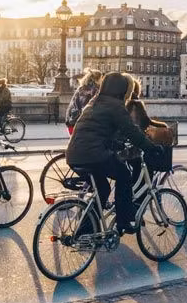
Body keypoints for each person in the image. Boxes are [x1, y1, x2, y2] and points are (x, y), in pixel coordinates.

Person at [65, 71, 161, 234]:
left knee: (102, 189)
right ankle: (123, 221)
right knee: (124, 175)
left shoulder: (94, 102)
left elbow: (98, 130)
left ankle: (85, 230)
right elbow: (132, 132)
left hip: (74, 154)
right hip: (93, 155)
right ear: (122, 90)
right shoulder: (116, 106)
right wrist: (151, 147)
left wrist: (116, 144)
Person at [65, 69, 103, 135]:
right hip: (85, 125)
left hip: (72, 121)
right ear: (98, 79)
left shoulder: (80, 88)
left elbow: (72, 105)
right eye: (101, 78)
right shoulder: (96, 90)